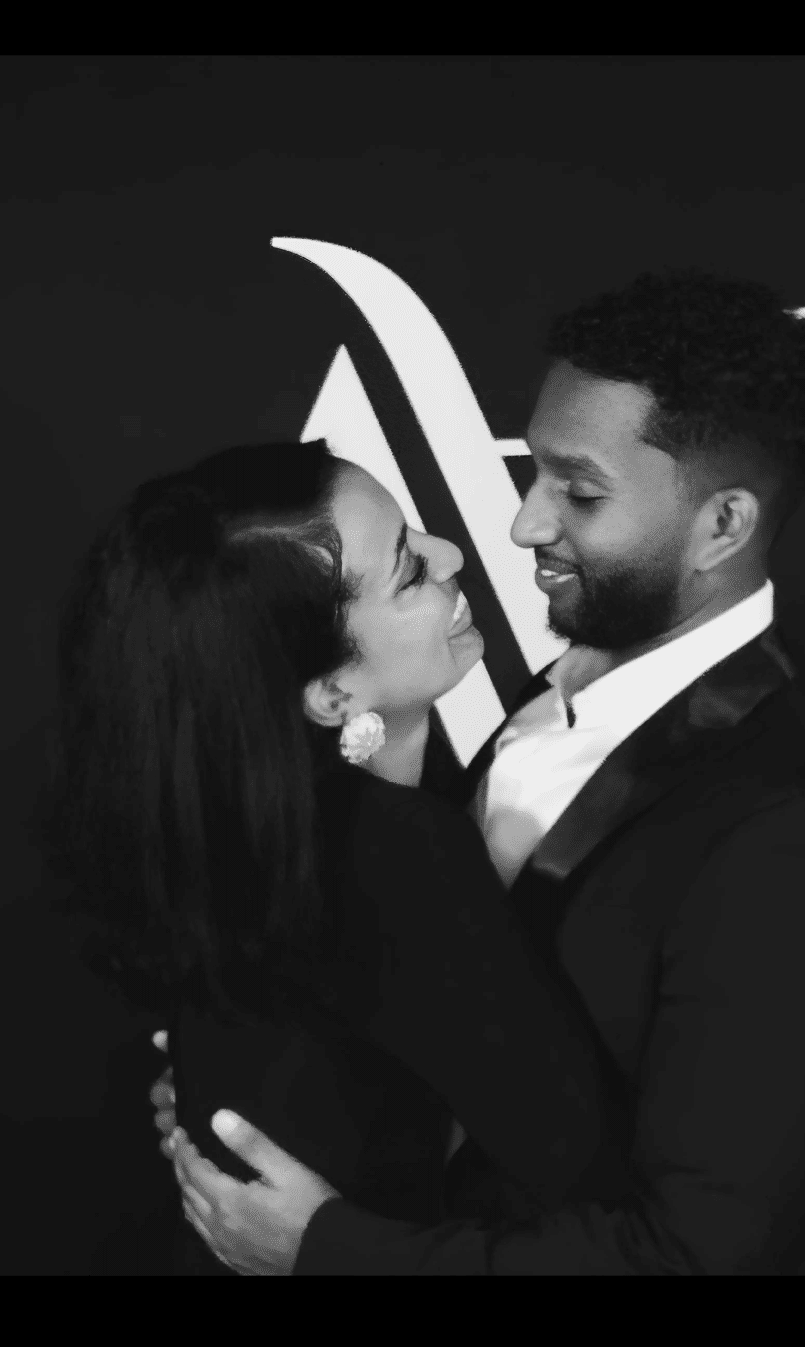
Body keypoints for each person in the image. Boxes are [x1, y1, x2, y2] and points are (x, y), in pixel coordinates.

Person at [163, 269, 805, 1274]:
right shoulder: (535, 703)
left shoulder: (786, 830)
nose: (519, 526)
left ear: (721, 526)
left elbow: (689, 1256)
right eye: (534, 470)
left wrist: (327, 1251)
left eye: (578, 492)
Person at [45, 441, 633, 1272]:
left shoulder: (245, 831)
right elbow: (593, 1173)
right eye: (408, 572)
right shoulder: (390, 853)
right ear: (333, 694)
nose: (453, 554)